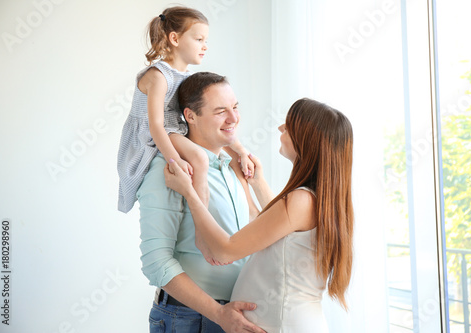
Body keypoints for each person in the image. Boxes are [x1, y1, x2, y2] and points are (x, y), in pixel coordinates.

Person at [165, 98, 354, 332]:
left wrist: (190, 193)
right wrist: (257, 183)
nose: (280, 128)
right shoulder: (318, 200)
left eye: (289, 124)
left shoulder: (301, 201)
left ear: (307, 139)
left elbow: (224, 250)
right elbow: (277, 228)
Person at [137, 71, 265, 333]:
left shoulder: (234, 169)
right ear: (191, 116)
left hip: (234, 317)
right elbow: (156, 262)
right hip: (189, 318)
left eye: (235, 108)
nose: (233, 118)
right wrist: (218, 313)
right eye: (221, 111)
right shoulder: (170, 171)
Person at [117, 6, 253, 214]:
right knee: (199, 158)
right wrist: (175, 160)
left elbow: (216, 120)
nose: (205, 46)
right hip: (155, 130)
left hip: (174, 127)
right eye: (199, 40)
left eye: (206, 41)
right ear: (175, 38)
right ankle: (202, 218)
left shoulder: (188, 77)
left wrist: (242, 151)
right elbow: (155, 125)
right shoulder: (158, 76)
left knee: (219, 147)